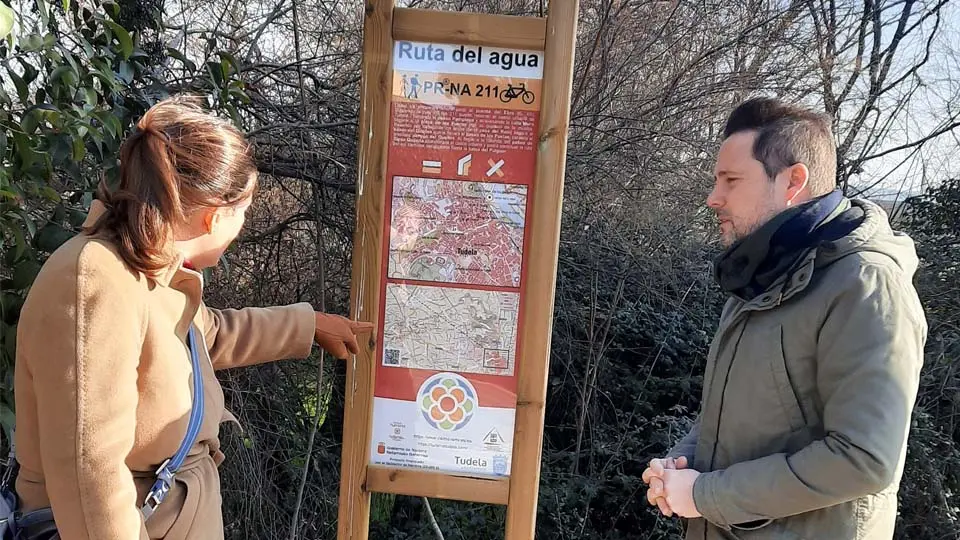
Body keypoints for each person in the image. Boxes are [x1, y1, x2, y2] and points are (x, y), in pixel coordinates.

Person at [12, 97, 373, 539]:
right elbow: (91, 477)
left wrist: (310, 326)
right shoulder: (94, 280)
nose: (240, 227)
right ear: (212, 217)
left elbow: (206, 333)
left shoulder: (147, 268)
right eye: (243, 212)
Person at [642, 97, 927, 539]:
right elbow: (739, 417)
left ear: (794, 180)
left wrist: (705, 496)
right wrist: (681, 463)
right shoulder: (760, 275)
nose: (713, 197)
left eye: (731, 180)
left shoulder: (866, 286)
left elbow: (864, 459)